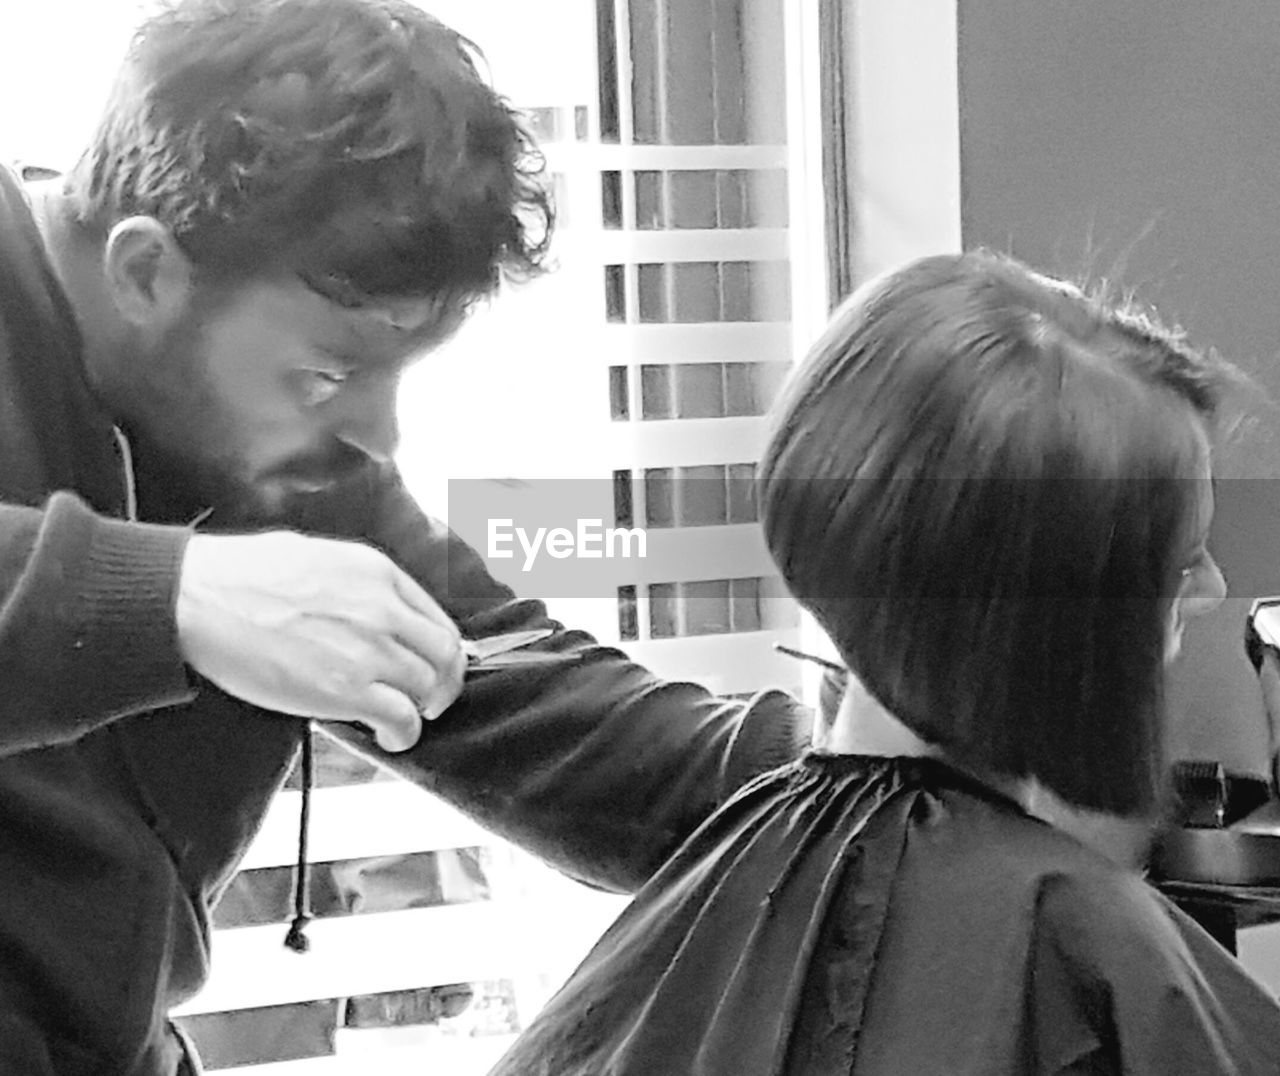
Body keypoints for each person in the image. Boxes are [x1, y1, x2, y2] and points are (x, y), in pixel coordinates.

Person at [0, 1, 812, 1072]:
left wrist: (855, 774)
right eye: (328, 373)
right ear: (147, 272)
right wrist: (159, 596)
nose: (379, 434)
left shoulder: (290, 461)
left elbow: (533, 708)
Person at [490, 251, 1280, 1076]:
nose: (1211, 589)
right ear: (1063, 626)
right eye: (1180, 563)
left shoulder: (740, 847)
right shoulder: (1080, 953)